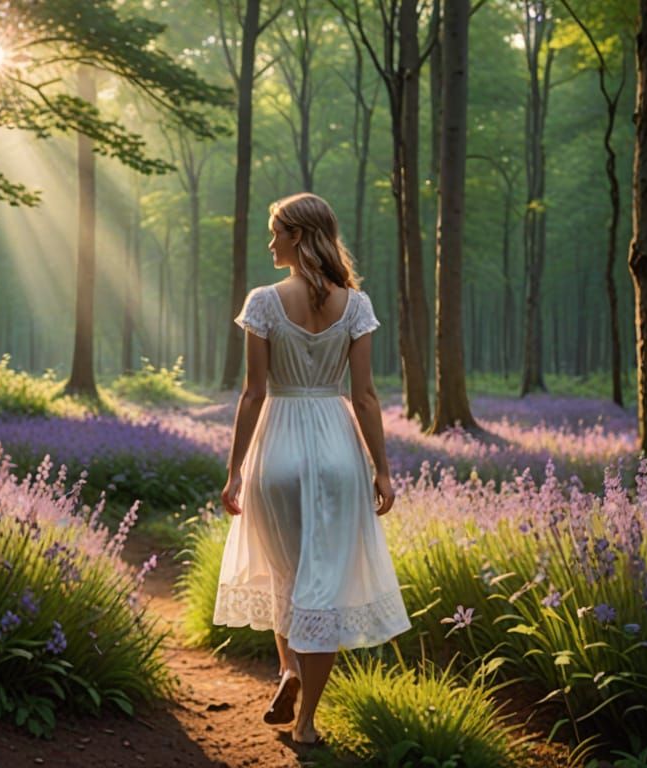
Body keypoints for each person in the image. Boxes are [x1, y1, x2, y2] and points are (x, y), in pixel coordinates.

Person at [213, 192, 410, 746]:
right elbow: (366, 396)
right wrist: (383, 470)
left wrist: (234, 472)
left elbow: (252, 395)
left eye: (276, 230)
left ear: (298, 236)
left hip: (277, 444)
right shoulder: (356, 305)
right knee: (320, 583)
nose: (270, 240)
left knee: (286, 574)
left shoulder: (264, 302)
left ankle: (290, 671)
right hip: (337, 446)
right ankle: (306, 725)